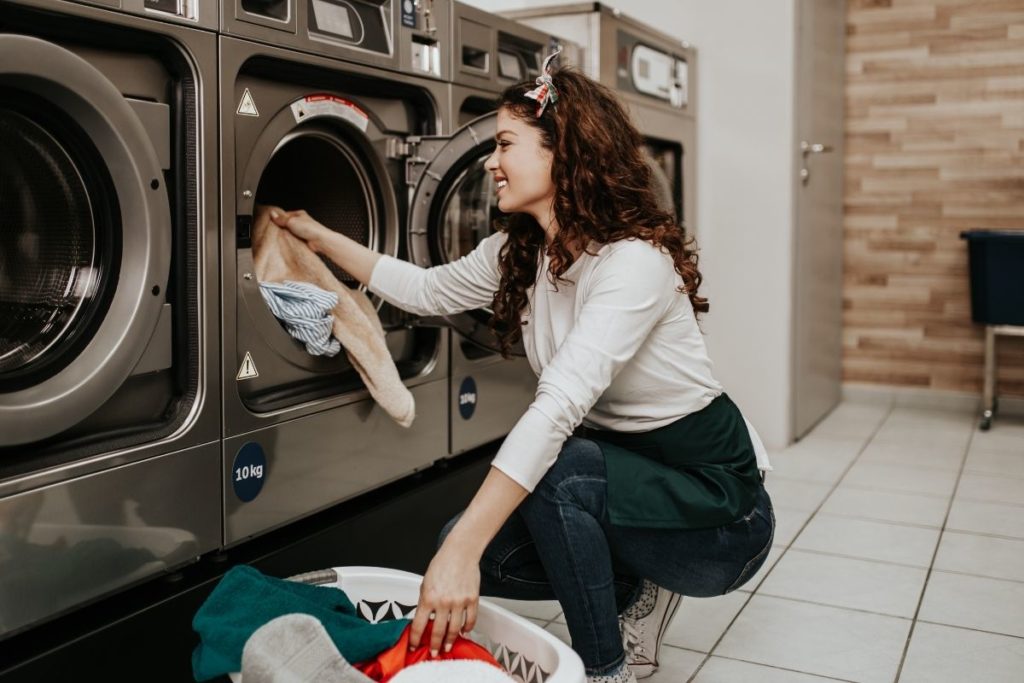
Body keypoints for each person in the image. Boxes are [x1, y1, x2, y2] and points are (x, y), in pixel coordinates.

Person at [267, 58, 775, 683]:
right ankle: (635, 590)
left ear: (563, 153)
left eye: (505, 144)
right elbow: (424, 290)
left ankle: (603, 671)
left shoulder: (633, 264)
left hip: (723, 517)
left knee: (542, 486)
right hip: (632, 479)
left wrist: (460, 552)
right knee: (490, 548)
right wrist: (315, 235)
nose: (489, 160)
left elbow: (559, 405)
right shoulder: (523, 252)